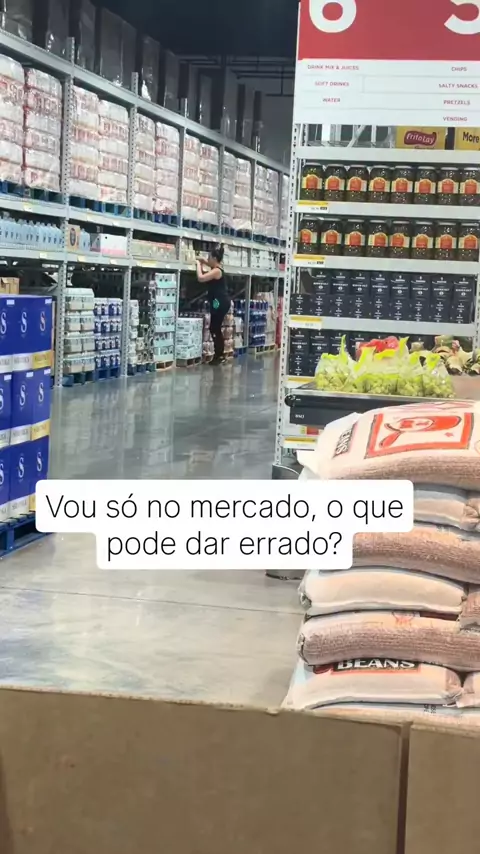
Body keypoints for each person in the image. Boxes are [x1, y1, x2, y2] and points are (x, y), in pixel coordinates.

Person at [196, 244, 230, 364]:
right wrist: (202, 260)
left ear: (215, 258)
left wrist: (198, 265)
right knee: (215, 327)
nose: (208, 259)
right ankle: (219, 354)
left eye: (209, 257)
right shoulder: (216, 267)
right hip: (218, 302)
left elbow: (201, 278)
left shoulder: (216, 271)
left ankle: (219, 355)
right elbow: (208, 262)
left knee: (214, 327)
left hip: (219, 303)